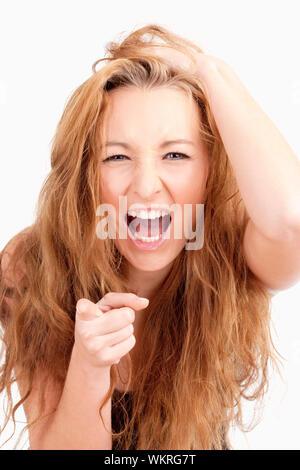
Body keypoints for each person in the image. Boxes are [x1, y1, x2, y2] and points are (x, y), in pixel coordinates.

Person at [1, 23, 300, 451]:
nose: (145, 186)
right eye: (117, 156)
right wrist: (90, 364)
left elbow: (292, 217)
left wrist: (205, 68)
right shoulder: (33, 264)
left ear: (211, 169)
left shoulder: (237, 251)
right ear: (85, 174)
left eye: (175, 154)